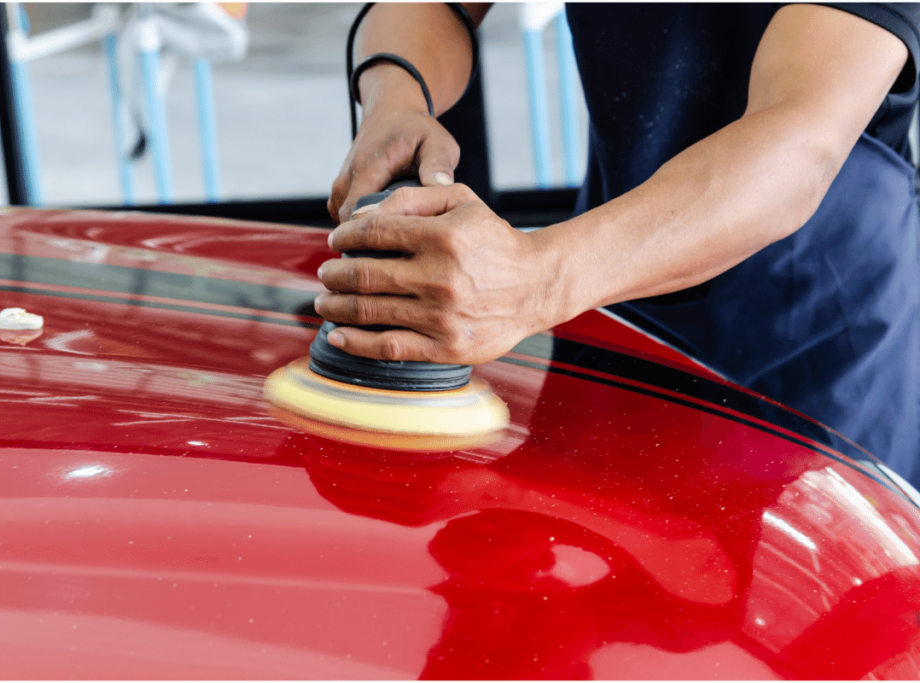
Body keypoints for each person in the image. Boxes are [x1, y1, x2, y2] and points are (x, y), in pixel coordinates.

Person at [315, 4, 920, 486]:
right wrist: (397, 100)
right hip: (609, 291)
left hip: (817, 331)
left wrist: (537, 279)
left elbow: (802, 139)